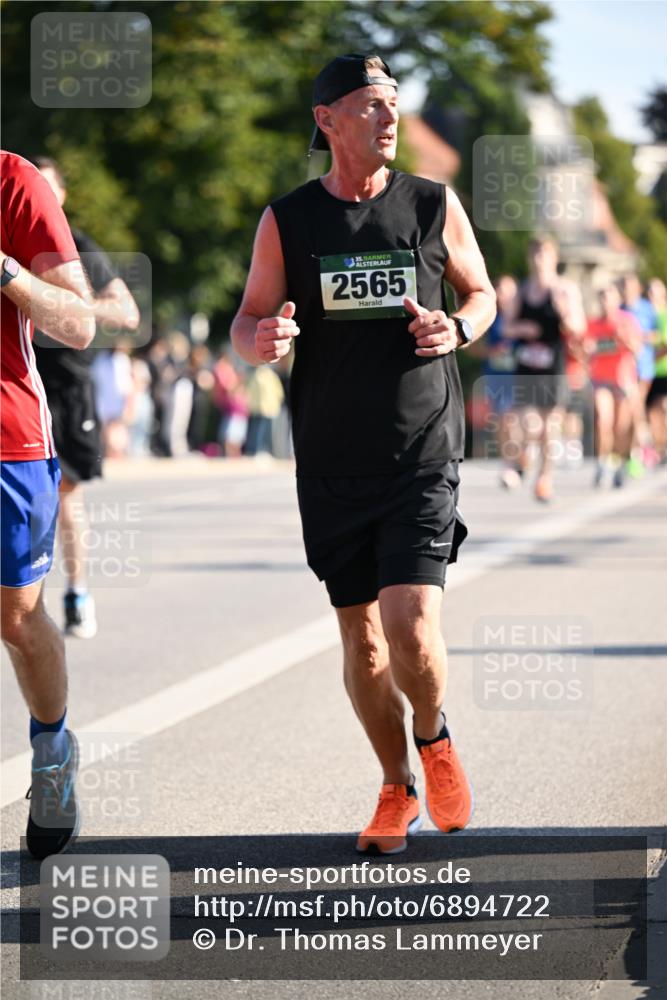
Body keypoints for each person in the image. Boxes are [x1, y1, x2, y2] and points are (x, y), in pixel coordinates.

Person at [231, 54, 496, 854]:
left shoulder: (430, 204)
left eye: (393, 104)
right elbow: (246, 322)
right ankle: (394, 787)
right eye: (371, 105)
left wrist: (455, 327)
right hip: (331, 456)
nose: (388, 118)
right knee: (364, 639)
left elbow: (480, 295)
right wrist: (263, 340)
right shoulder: (289, 219)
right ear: (327, 120)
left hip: (420, 447)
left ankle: (436, 736)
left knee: (410, 627)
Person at [1, 150, 96, 858]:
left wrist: (5, 271)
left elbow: (79, 323)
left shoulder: (14, 182)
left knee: (16, 617)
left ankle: (53, 750)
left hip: (8, 441)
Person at [33, 157, 140, 638]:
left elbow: (128, 313)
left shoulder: (77, 247)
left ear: (62, 196)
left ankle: (76, 590)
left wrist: (65, 307)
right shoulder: (7, 242)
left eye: (46, 188)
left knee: (64, 493)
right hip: (16, 382)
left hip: (67, 389)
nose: (37, 197)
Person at [502, 236, 586, 502]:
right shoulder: (522, 291)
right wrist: (522, 329)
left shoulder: (565, 290)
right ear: (530, 258)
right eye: (535, 254)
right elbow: (505, 326)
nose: (539, 260)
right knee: (530, 424)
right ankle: (526, 457)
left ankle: (544, 479)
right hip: (527, 365)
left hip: (554, 365)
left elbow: (579, 328)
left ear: (553, 258)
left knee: (550, 427)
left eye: (544, 255)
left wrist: (564, 315)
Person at [585, 285, 642, 488]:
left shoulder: (627, 321)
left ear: (618, 300)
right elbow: (587, 349)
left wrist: (624, 339)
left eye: (609, 298)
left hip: (624, 380)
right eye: (602, 299)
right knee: (603, 421)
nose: (606, 303)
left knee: (621, 428)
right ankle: (602, 465)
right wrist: (606, 345)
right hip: (601, 379)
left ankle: (618, 463)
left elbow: (637, 348)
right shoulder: (593, 323)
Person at [620, 273, 658, 474]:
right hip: (625, 368)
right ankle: (640, 448)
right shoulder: (618, 310)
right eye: (623, 286)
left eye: (629, 285)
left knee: (636, 407)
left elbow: (657, 334)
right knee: (632, 410)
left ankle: (641, 450)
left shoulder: (646, 308)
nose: (626, 289)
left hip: (643, 366)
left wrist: (639, 337)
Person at [646, 278, 667, 463]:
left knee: (664, 407)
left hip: (664, 370)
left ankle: (664, 446)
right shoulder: (644, 315)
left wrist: (652, 357)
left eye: (656, 292)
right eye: (650, 292)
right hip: (646, 372)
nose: (652, 296)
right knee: (651, 413)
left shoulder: (665, 316)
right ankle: (658, 447)